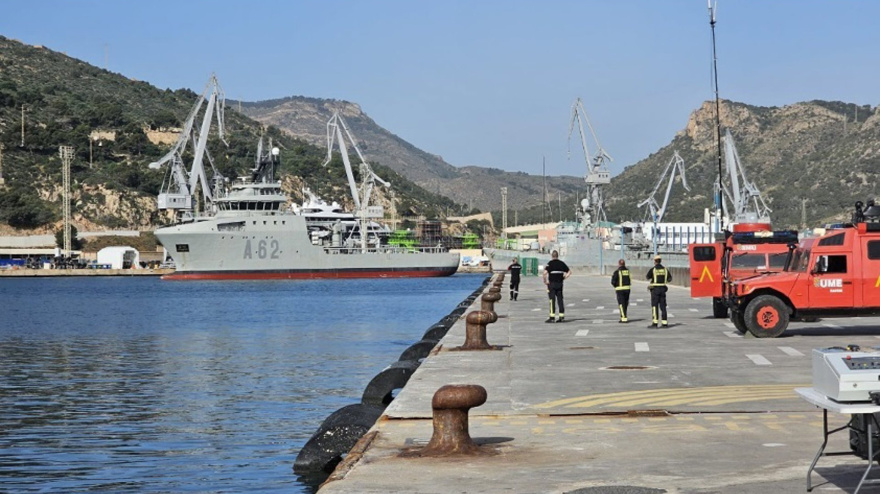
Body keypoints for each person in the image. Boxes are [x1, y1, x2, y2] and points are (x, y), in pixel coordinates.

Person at [543, 250, 571, 323]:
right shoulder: (562, 263)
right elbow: (569, 272)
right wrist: (564, 278)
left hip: (552, 284)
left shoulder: (550, 264)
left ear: (552, 256)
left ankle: (552, 317)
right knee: (560, 300)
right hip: (559, 284)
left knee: (552, 300)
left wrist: (545, 281)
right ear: (557, 256)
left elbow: (544, 273)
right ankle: (561, 317)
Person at [646, 254, 671, 327]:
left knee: (655, 306)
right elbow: (669, 279)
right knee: (663, 306)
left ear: (655, 261)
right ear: (660, 261)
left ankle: (655, 322)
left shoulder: (653, 269)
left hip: (655, 290)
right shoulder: (665, 270)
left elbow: (647, 277)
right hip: (663, 289)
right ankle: (664, 323)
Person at [610, 258, 631, 323]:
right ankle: (624, 315)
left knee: (621, 304)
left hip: (620, 289)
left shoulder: (617, 272)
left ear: (619, 264)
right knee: (625, 303)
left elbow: (613, 281)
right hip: (627, 289)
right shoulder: (627, 271)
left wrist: (615, 286)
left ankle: (623, 318)